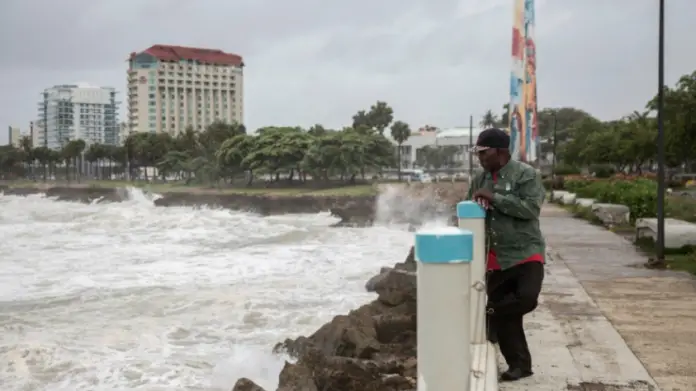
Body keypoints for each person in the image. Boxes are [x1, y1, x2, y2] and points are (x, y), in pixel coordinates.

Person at [466, 127, 545, 382]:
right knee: (510, 317)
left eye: (483, 152)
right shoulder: (479, 178)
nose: (479, 158)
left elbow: (531, 209)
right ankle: (520, 365)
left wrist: (495, 198)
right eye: (477, 153)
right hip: (494, 256)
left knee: (526, 298)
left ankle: (491, 315)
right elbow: (469, 209)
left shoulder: (527, 175)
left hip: (526, 252)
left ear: (499, 152)